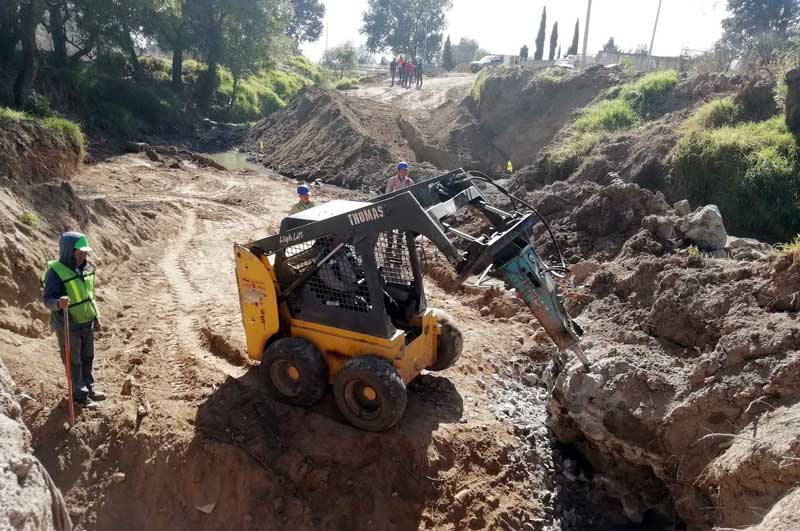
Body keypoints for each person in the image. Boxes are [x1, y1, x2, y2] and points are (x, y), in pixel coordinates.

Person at [42, 232, 105, 409]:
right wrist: (58, 303)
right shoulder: (55, 274)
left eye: (85, 253)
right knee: (74, 361)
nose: (83, 256)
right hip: (67, 324)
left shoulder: (85, 269)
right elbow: (48, 300)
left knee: (87, 357)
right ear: (69, 252)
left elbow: (89, 296)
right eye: (80, 253)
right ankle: (79, 396)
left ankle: (89, 388)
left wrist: (96, 317)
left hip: (86, 321)